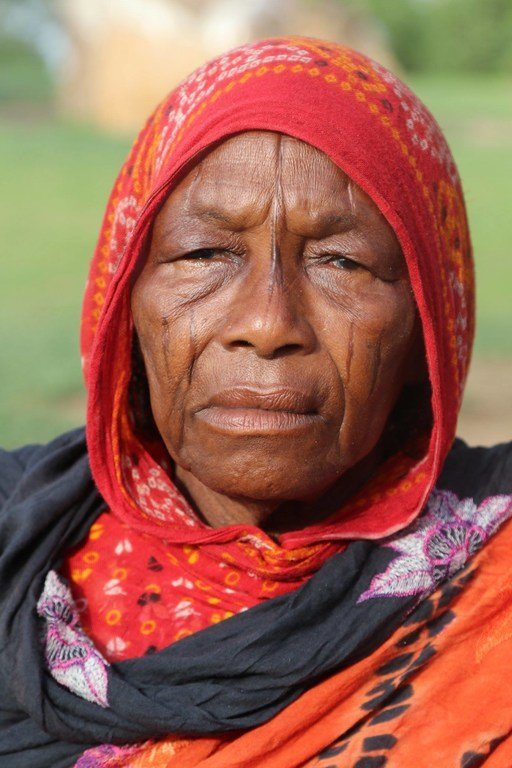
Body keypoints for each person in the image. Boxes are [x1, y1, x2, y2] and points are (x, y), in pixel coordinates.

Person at [1, 35, 511, 768]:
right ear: (126, 308)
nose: (267, 324)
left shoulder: (497, 586)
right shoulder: (17, 534)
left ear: (428, 328)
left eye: (342, 262)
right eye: (205, 254)